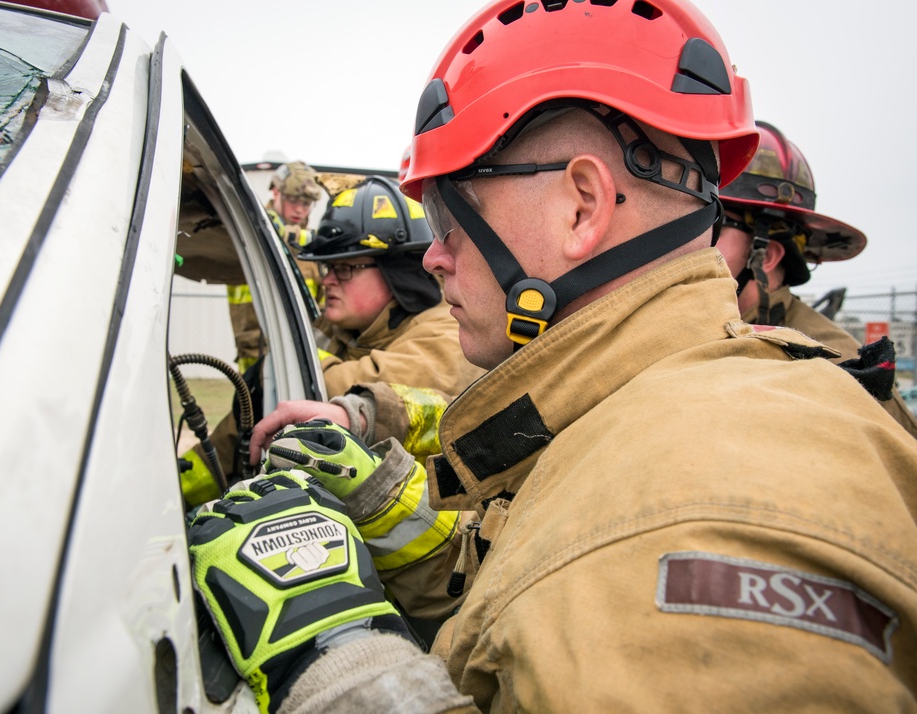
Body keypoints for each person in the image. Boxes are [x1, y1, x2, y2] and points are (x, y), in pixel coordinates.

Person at [190, 1, 917, 711]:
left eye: (449, 214)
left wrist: (344, 670)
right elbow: (536, 587)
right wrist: (379, 501)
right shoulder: (627, 410)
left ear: (581, 207)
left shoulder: (713, 499)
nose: (434, 256)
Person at [179, 175, 484, 510]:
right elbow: (232, 437)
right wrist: (176, 495)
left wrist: (282, 357)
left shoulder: (446, 331)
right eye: (326, 267)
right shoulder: (341, 328)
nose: (327, 280)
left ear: (396, 270)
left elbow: (353, 385)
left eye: (345, 268)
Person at [715, 121, 917, 437]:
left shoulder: (840, 371)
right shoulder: (700, 326)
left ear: (765, 255)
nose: (693, 242)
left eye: (714, 224)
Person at [227, 161, 324, 373]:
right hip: (255, 354)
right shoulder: (251, 231)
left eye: (307, 203)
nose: (300, 209)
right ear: (275, 192)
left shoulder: (312, 249)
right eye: (293, 200)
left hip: (303, 357)